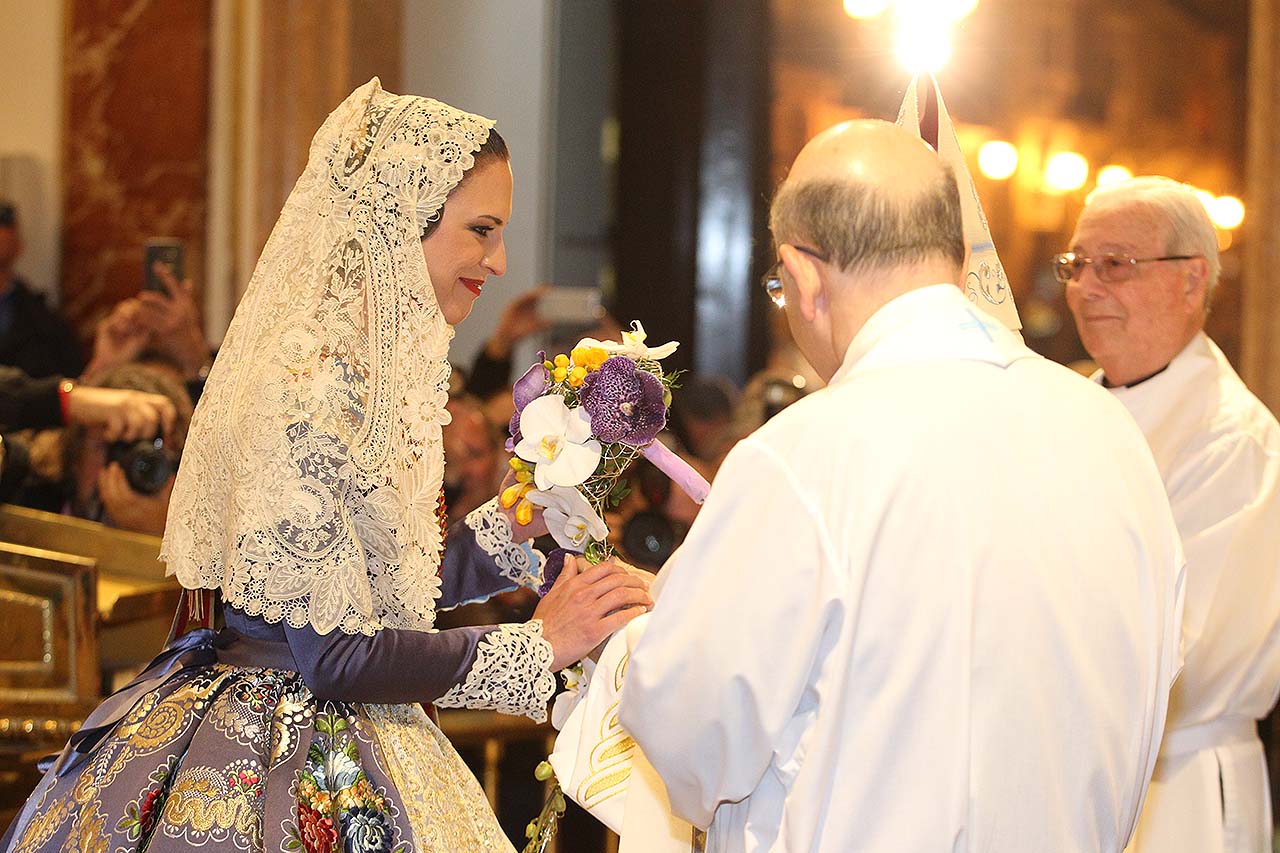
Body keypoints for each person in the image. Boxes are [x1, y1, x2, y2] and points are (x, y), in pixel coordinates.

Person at [3, 78, 651, 853]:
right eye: (481, 229)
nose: (498, 259)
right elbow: (338, 652)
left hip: (355, 724)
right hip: (282, 759)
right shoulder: (306, 392)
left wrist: (508, 532)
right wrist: (536, 643)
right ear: (401, 217)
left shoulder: (367, 380)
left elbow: (380, 592)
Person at [618, 120, 1185, 851]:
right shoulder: (1112, 433)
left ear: (802, 275)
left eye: (779, 288)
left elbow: (695, 738)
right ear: (954, 260)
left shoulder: (803, 455)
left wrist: (641, 633)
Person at [1060, 175, 1280, 853]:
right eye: (1076, 265)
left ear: (1192, 281)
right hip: (1074, 768)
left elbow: (1182, 660)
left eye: (1116, 264)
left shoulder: (1230, 440)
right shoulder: (1063, 411)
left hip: (1180, 792)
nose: (1087, 286)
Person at [0, 201, 84, 379]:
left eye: (4, 224)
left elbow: (70, 383)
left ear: (18, 243)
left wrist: (105, 362)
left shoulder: (42, 320)